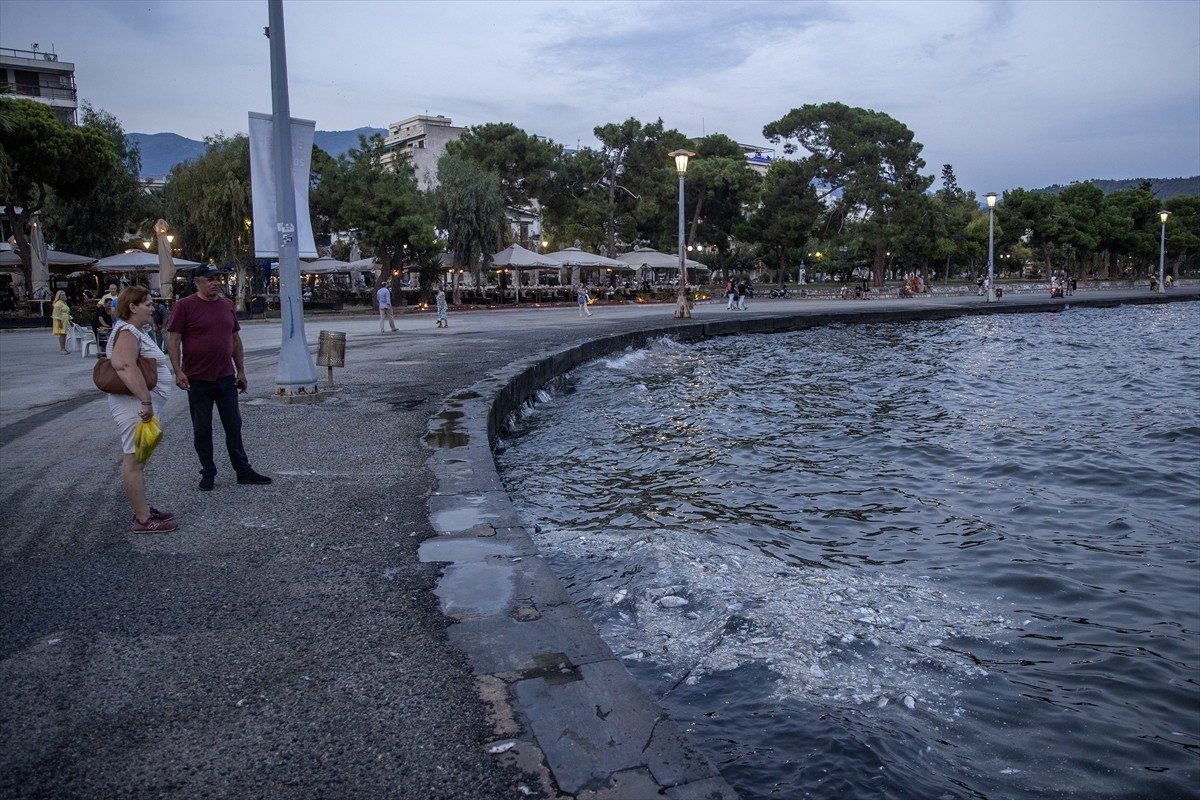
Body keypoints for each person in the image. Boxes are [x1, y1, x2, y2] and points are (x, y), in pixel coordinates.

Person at [167, 264, 272, 491]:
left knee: (233, 425)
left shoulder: (226, 305)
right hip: (198, 379)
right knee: (202, 428)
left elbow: (235, 340)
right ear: (197, 282)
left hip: (225, 377)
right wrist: (178, 371)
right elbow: (174, 340)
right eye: (210, 279)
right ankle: (208, 472)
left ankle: (242, 469)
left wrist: (241, 371)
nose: (215, 283)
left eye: (218, 278)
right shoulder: (184, 306)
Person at [107, 286, 176, 533]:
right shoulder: (127, 331)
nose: (152, 308)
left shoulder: (135, 330)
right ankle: (143, 519)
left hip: (138, 403)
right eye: (147, 304)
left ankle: (143, 509)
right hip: (134, 405)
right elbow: (124, 365)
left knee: (138, 459)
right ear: (132, 307)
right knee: (134, 461)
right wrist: (145, 400)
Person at [51, 290, 71, 354]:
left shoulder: (64, 303)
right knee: (62, 335)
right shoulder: (58, 304)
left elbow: (67, 312)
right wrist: (60, 322)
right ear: (59, 296)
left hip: (65, 320)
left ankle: (64, 348)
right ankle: (62, 349)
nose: (64, 296)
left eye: (64, 295)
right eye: (62, 295)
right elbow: (56, 314)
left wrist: (70, 319)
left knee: (64, 334)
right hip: (61, 320)